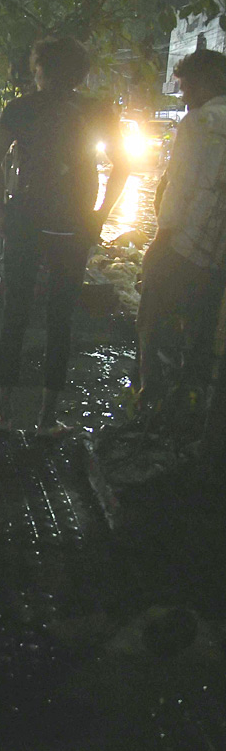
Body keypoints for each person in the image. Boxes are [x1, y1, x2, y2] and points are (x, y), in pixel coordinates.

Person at [0, 36, 128, 436]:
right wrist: (100, 214)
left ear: (41, 70)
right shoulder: (98, 110)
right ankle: (48, 418)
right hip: (75, 222)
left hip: (26, 218)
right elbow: (122, 167)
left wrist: (0, 210)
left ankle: (3, 413)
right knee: (60, 318)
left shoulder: (21, 107)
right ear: (81, 73)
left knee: (15, 313)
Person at [135, 49, 226, 458]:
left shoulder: (199, 123)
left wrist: (159, 242)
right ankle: (191, 417)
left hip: (184, 245)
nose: (183, 94)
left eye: (186, 85)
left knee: (153, 324)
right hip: (218, 260)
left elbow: (178, 192)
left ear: (206, 82)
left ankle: (150, 404)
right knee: (202, 340)